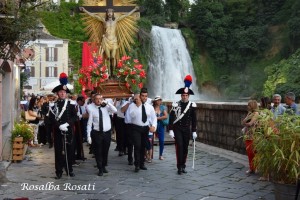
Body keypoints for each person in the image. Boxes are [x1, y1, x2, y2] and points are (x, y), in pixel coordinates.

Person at [79, 6, 139, 75]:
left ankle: (113, 73)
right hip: (106, 40)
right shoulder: (104, 21)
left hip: (113, 41)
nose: (110, 13)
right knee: (108, 58)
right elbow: (94, 16)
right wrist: (85, 10)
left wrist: (134, 9)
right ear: (107, 13)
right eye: (108, 12)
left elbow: (126, 15)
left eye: (111, 12)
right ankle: (109, 74)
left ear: (113, 13)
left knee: (113, 57)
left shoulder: (116, 20)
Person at [49, 73, 78, 179]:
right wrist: (59, 126)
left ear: (66, 93)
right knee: (58, 151)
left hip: (69, 131)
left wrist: (67, 124)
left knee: (70, 151)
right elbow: (51, 118)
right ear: (57, 93)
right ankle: (59, 171)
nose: (62, 94)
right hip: (58, 131)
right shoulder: (53, 105)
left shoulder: (71, 104)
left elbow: (75, 117)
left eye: (64, 92)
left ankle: (69, 169)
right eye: (60, 92)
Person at [169, 75, 197, 175]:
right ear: (181, 96)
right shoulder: (176, 104)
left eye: (186, 95)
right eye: (183, 95)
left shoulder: (192, 106)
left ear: (188, 96)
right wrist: (171, 129)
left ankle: (183, 165)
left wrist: (194, 131)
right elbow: (171, 118)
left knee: (185, 147)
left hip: (187, 129)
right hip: (178, 128)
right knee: (179, 146)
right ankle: (179, 166)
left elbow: (194, 119)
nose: (184, 97)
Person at [86, 94, 117, 176]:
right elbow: (89, 123)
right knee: (98, 151)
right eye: (97, 99)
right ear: (94, 100)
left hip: (107, 132)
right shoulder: (91, 109)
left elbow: (115, 110)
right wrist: (88, 135)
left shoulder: (106, 107)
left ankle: (104, 166)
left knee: (105, 150)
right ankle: (100, 168)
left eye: (100, 98)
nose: (99, 100)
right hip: (97, 133)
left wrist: (107, 103)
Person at [127, 88, 157, 172]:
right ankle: (136, 164)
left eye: (146, 96)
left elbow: (154, 118)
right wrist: (138, 106)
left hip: (145, 128)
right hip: (136, 128)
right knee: (137, 145)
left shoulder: (150, 107)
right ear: (140, 96)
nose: (144, 97)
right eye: (143, 96)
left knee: (143, 146)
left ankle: (142, 164)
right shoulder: (133, 105)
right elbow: (131, 116)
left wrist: (154, 126)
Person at [241, 100, 259, 175]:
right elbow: (243, 122)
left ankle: (255, 168)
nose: (247, 106)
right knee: (249, 153)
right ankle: (251, 168)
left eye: (248, 105)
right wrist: (245, 122)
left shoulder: (256, 113)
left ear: (252, 106)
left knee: (253, 152)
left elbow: (250, 123)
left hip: (253, 135)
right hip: (248, 134)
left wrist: (245, 122)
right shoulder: (250, 113)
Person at [153, 96, 168, 160]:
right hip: (153, 125)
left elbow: (166, 116)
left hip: (161, 125)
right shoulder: (152, 107)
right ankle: (149, 154)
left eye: (160, 100)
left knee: (161, 141)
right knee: (150, 140)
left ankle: (160, 155)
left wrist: (157, 118)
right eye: (157, 100)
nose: (158, 101)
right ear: (155, 101)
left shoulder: (163, 107)